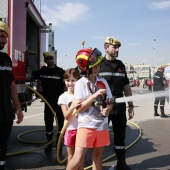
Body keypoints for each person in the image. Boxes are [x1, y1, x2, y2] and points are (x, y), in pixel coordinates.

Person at [67, 48, 113, 170]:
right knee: (77, 159)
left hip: (102, 125)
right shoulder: (80, 84)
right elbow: (80, 109)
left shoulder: (103, 82)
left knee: (98, 156)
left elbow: (110, 101)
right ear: (86, 68)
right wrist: (94, 96)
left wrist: (108, 109)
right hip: (86, 125)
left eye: (99, 64)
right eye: (95, 65)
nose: (98, 67)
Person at [99, 37, 135, 170]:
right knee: (100, 135)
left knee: (120, 135)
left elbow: (127, 87)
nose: (117, 50)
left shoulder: (121, 65)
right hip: (103, 108)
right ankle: (98, 164)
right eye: (114, 47)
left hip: (119, 107)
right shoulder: (99, 64)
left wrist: (130, 105)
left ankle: (121, 162)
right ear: (105, 48)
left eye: (118, 47)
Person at [0, 21, 24, 170]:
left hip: (5, 112)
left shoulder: (6, 58)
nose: (4, 41)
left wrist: (18, 107)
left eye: (6, 38)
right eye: (2, 36)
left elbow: (11, 85)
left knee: (3, 144)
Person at [32, 52, 65, 153]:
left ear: (53, 59)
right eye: (47, 59)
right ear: (45, 61)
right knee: (48, 125)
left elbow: (65, 85)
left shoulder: (60, 71)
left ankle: (59, 145)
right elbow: (32, 74)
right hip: (48, 103)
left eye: (51, 59)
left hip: (59, 103)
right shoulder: (43, 71)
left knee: (60, 124)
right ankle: (49, 144)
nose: (50, 61)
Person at [58, 68, 82, 167]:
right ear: (64, 81)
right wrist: (73, 106)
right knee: (71, 156)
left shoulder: (81, 95)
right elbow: (66, 116)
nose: (70, 83)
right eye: (68, 80)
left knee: (80, 157)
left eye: (73, 80)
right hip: (70, 130)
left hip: (81, 129)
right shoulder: (63, 97)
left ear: (78, 81)